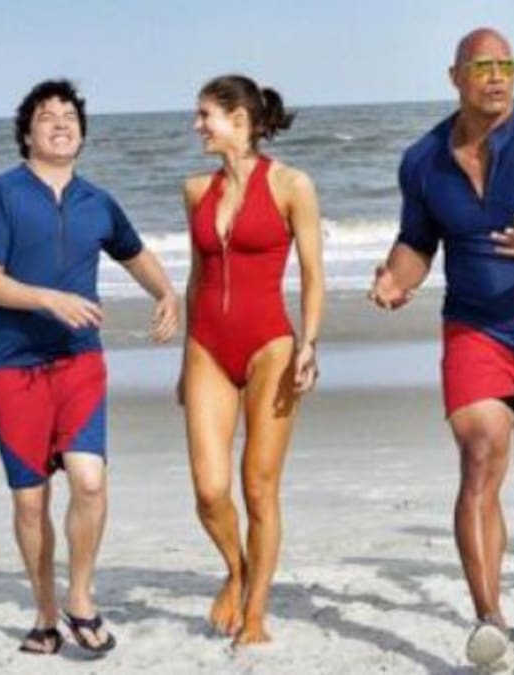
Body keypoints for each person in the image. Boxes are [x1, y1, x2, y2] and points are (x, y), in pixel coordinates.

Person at [369, 27, 514, 666]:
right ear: (456, 78)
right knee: (479, 455)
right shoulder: (423, 160)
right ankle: (488, 620)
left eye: (506, 65)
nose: (496, 77)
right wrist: (396, 279)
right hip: (474, 329)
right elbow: (417, 242)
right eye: (482, 67)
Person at [0, 79, 179, 655]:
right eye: (47, 115)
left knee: (90, 480)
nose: (60, 122)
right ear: (27, 134)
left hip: (79, 362)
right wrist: (48, 299)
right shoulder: (1, 193)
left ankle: (79, 598)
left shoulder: (98, 200)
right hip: (10, 367)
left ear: (81, 133)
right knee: (30, 502)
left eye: (69, 116)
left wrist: (166, 293)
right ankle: (45, 615)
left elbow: (133, 252)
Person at [179, 74, 324, 645]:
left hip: (272, 347)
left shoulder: (292, 185)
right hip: (207, 347)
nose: (197, 125)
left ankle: (256, 612)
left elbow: (312, 273)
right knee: (209, 490)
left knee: (258, 487)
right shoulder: (196, 190)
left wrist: (310, 342)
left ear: (238, 120)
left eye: (205, 115)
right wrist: (185, 360)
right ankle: (236, 571)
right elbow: (196, 279)